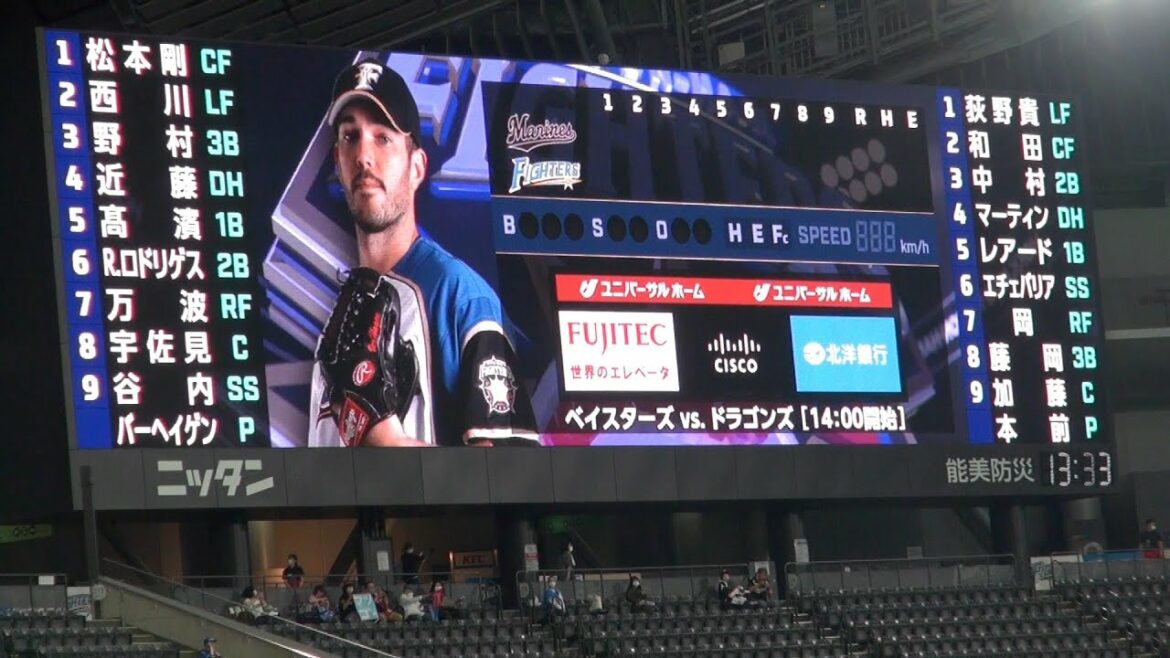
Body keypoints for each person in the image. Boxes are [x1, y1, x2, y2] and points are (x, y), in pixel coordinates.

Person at [308, 57, 539, 448]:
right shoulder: (340, 318)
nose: (364, 156)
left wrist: (389, 442)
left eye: (383, 137)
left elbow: (510, 470)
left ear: (417, 167)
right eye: (350, 136)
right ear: (338, 162)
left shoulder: (460, 295)